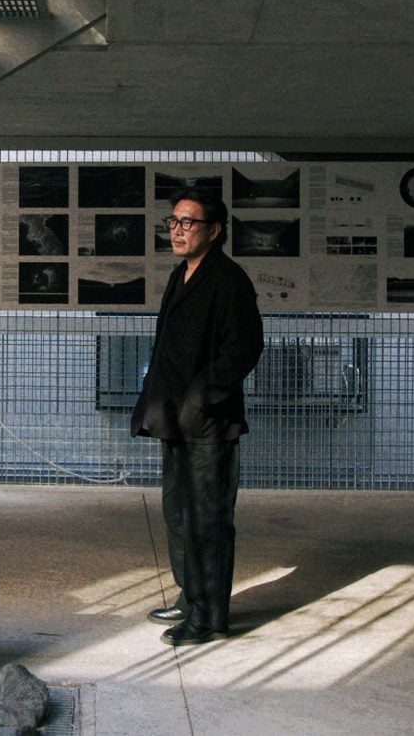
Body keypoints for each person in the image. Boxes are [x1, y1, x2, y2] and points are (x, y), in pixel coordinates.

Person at [131, 187, 264, 646]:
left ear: (215, 230)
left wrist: (201, 398)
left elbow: (244, 349)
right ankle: (192, 596)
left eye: (188, 223)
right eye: (173, 222)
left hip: (208, 423)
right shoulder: (180, 274)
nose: (178, 230)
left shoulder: (229, 279)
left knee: (207, 520)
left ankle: (209, 615)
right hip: (173, 418)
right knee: (178, 515)